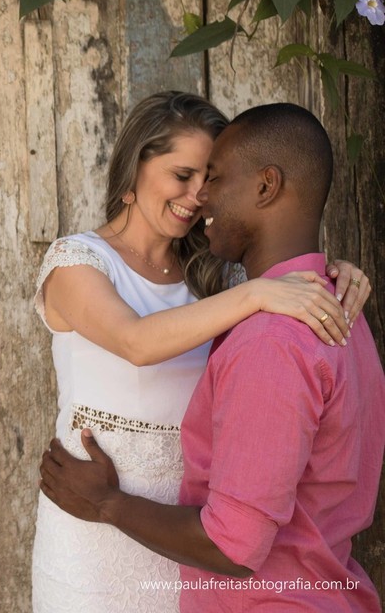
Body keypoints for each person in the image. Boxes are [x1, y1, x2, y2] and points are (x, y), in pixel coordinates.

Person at [28, 92, 373, 612]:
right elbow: (136, 341)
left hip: (187, 532)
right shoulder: (78, 263)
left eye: (210, 178)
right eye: (183, 175)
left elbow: (278, 268)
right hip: (94, 523)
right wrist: (260, 292)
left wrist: (332, 274)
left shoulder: (213, 276)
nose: (198, 196)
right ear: (135, 168)